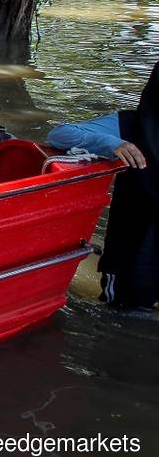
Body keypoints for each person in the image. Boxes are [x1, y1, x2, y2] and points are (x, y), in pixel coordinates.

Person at [47, 61, 159, 314]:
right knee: (124, 317)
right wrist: (111, 144)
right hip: (135, 254)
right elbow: (60, 135)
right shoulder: (131, 124)